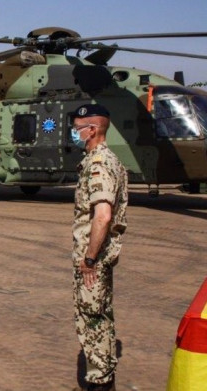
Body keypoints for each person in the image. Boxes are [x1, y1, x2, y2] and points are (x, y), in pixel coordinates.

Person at [70, 104, 128, 391]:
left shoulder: (99, 164)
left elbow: (102, 216)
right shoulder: (109, 160)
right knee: (100, 317)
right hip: (101, 258)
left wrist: (89, 259)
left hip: (93, 261)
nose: (75, 133)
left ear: (92, 130)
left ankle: (100, 383)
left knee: (92, 320)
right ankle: (104, 379)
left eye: (78, 127)